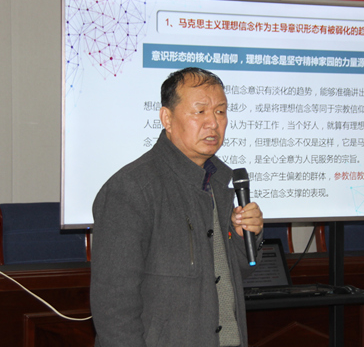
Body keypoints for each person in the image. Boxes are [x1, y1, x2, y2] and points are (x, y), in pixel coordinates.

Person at [90, 67, 264, 347]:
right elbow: (114, 306)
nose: (213, 123)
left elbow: (233, 275)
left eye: (220, 111)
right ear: (167, 118)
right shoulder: (131, 189)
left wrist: (244, 238)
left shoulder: (217, 182)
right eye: (200, 111)